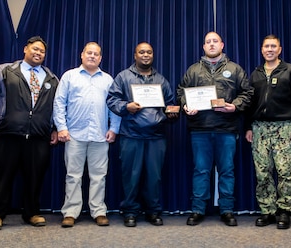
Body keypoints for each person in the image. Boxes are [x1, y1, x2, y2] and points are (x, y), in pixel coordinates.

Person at [0, 36, 59, 231]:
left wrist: (55, 128)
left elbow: (57, 107)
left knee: (35, 177)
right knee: (2, 177)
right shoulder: (5, 70)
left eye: (42, 51)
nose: (38, 53)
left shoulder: (51, 78)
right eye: (35, 49)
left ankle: (32, 213)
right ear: (25, 49)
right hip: (8, 133)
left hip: (39, 136)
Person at [177, 32, 252, 226]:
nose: (211, 45)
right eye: (208, 42)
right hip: (199, 129)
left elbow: (247, 93)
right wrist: (185, 105)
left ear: (222, 45)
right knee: (201, 170)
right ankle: (198, 210)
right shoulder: (193, 70)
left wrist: (234, 106)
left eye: (215, 41)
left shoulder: (235, 69)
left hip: (226, 129)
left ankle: (227, 210)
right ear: (203, 47)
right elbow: (181, 91)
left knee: (227, 171)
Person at [106, 42, 177, 227]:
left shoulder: (161, 80)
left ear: (153, 55)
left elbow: (170, 103)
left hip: (156, 136)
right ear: (135, 55)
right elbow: (112, 99)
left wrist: (171, 113)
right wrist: (125, 106)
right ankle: (130, 211)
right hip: (131, 135)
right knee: (131, 176)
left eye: (149, 52)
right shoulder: (123, 77)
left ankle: (153, 211)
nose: (146, 55)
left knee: (154, 177)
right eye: (142, 52)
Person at [53, 42, 121, 228]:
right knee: (73, 176)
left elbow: (114, 107)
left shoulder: (107, 79)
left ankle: (98, 211)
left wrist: (114, 128)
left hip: (100, 136)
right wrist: (61, 127)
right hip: (73, 135)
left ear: (101, 58)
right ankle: (70, 212)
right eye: (89, 53)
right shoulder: (69, 76)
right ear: (81, 55)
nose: (92, 56)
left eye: (96, 54)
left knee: (99, 176)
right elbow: (59, 103)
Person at [244, 35, 291, 229]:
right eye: (266, 46)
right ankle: (267, 211)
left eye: (273, 46)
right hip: (259, 129)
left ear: (279, 49)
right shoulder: (255, 74)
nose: (270, 49)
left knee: (285, 171)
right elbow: (249, 104)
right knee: (262, 172)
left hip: (285, 127)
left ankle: (284, 211)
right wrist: (248, 127)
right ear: (262, 50)